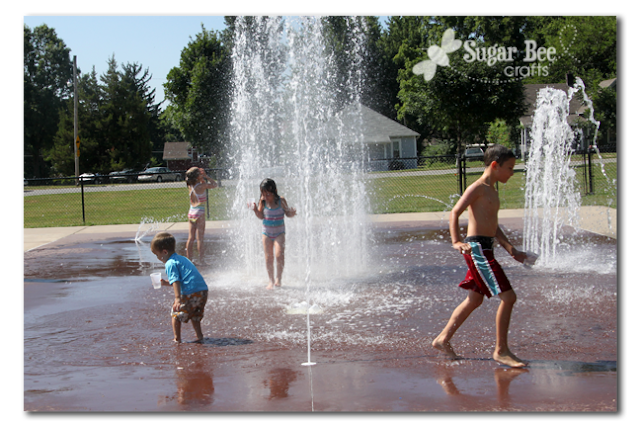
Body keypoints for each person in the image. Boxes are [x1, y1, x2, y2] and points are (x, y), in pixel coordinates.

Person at [432, 145, 533, 368]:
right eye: (510, 168)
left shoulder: (492, 191)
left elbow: (493, 226)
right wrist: (456, 241)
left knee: (475, 299)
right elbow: (455, 212)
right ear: (495, 165)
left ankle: (442, 339)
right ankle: (501, 350)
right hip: (477, 249)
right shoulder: (478, 188)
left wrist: (511, 250)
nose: (512, 173)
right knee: (509, 297)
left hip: (486, 247)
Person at [151, 232, 209, 343]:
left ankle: (177, 339)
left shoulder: (170, 263)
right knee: (195, 315)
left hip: (190, 292)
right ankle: (199, 336)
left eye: (157, 255)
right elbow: (181, 280)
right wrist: (165, 283)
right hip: (202, 291)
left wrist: (178, 299)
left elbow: (176, 281)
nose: (157, 258)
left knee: (175, 314)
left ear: (164, 252)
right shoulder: (182, 259)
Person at [249, 178, 297, 290]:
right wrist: (255, 210)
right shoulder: (263, 202)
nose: (265, 197)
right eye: (263, 194)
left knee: (279, 255)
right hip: (266, 233)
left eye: (268, 194)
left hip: (279, 233)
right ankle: (271, 280)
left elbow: (287, 213)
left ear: (275, 191)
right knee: (268, 257)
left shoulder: (281, 201)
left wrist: (292, 213)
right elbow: (261, 216)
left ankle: (278, 278)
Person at [185, 167, 217, 264]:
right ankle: (202, 260)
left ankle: (189, 259)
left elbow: (198, 183)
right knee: (200, 239)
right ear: (198, 176)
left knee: (191, 238)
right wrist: (206, 176)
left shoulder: (190, 186)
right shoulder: (202, 186)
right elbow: (214, 184)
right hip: (199, 213)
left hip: (191, 212)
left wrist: (201, 178)